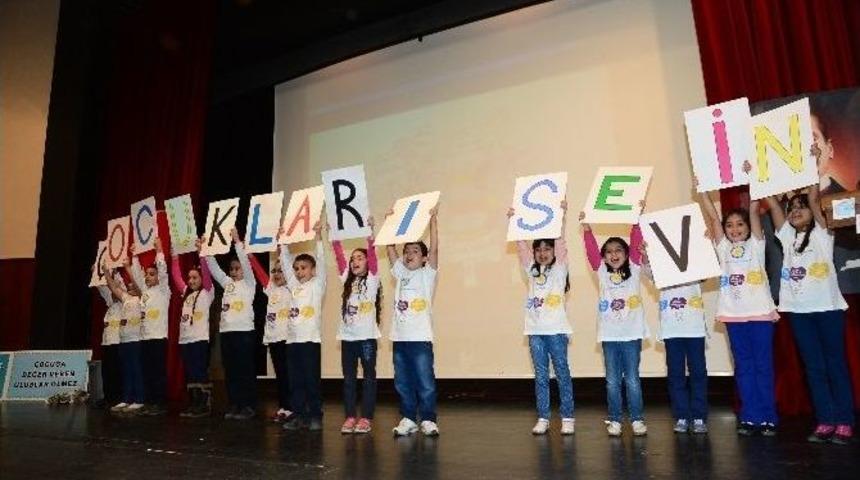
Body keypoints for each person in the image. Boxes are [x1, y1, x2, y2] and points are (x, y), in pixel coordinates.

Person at [764, 185, 854, 444]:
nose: (794, 212)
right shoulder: (786, 236)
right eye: (790, 209)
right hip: (799, 313)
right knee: (814, 368)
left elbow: (815, 198)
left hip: (828, 309)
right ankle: (825, 420)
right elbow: (772, 204)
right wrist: (757, 176)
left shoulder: (823, 234)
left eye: (799, 207)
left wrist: (812, 173)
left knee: (835, 365)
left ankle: (845, 421)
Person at [698, 171, 779, 436]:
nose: (734, 229)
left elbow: (754, 209)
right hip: (734, 315)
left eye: (739, 225)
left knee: (762, 366)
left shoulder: (756, 244)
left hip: (760, 315)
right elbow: (712, 216)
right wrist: (703, 190)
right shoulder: (722, 247)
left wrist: (754, 177)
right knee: (743, 366)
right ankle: (750, 416)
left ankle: (768, 417)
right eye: (730, 225)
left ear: (748, 228)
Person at [508, 202, 575, 435]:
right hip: (535, 331)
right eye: (539, 250)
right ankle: (543, 417)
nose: (543, 253)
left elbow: (561, 243)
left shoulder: (559, 270)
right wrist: (515, 222)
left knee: (562, 374)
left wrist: (561, 215)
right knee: (541, 376)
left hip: (556, 331)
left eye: (548, 249)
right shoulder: (532, 271)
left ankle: (567, 416)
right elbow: (522, 249)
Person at [580, 209, 649, 437]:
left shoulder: (636, 267)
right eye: (608, 252)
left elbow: (636, 238)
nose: (614, 254)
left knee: (631, 379)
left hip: (631, 334)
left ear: (627, 254)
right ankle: (616, 419)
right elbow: (591, 251)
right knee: (611, 381)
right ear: (604, 257)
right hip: (609, 335)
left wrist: (637, 217)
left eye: (619, 250)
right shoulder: (601, 271)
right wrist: (588, 229)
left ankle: (637, 419)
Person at [639, 243, 708, 434]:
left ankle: (699, 415)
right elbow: (647, 272)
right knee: (676, 374)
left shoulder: (693, 264)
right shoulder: (662, 267)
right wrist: (646, 255)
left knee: (698, 373)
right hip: (671, 330)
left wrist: (703, 244)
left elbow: (707, 271)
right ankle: (682, 416)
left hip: (694, 329)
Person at [387, 207, 440, 437]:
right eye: (406, 251)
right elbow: (390, 247)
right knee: (403, 381)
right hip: (399, 338)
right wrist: (390, 222)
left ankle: (428, 419)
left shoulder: (427, 274)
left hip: (420, 338)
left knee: (424, 380)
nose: (409, 254)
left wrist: (433, 220)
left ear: (425, 257)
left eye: (415, 251)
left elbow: (436, 247)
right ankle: (408, 418)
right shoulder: (400, 272)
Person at [331, 217, 381, 434]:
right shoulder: (347, 281)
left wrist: (370, 232)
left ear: (367, 262)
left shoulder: (372, 280)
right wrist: (334, 235)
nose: (355, 261)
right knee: (349, 378)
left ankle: (366, 417)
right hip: (348, 338)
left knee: (369, 377)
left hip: (367, 337)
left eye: (360, 258)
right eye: (353, 259)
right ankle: (350, 416)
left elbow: (374, 256)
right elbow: (339, 257)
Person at [204, 228, 258, 420]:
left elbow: (245, 261)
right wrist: (205, 250)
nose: (234, 271)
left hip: (243, 333)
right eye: (232, 269)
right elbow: (215, 269)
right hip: (226, 333)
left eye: (238, 268)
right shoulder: (227, 284)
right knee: (232, 371)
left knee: (245, 370)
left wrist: (237, 240)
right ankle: (235, 404)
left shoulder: (250, 284)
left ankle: (248, 405)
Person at [281, 222, 327, 432]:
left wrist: (318, 237)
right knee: (296, 381)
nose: (299, 272)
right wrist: (282, 242)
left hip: (310, 341)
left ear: (313, 270)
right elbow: (284, 263)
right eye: (297, 269)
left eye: (304, 268)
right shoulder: (294, 286)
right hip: (292, 342)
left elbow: (323, 261)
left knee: (311, 380)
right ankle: (298, 414)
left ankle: (315, 414)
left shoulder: (317, 285)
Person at [248, 246, 292, 424]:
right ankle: (284, 407)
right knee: (280, 375)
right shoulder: (271, 289)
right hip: (273, 339)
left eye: (281, 270)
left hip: (287, 339)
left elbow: (288, 265)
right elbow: (259, 272)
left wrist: (282, 248)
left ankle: (292, 407)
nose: (276, 274)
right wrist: (250, 254)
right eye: (274, 271)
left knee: (289, 375)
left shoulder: (292, 289)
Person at [171, 238, 214, 417]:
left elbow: (206, 273)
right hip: (185, 340)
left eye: (195, 277)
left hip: (200, 339)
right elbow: (175, 276)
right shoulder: (186, 294)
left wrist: (201, 253)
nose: (190, 280)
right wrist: (174, 255)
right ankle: (193, 403)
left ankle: (203, 405)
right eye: (189, 278)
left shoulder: (207, 292)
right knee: (190, 373)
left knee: (199, 371)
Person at [105, 269, 145, 414]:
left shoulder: (142, 297)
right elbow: (113, 287)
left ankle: (139, 399)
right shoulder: (126, 298)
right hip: (124, 340)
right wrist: (105, 271)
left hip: (136, 339)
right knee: (126, 369)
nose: (130, 286)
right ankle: (127, 398)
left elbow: (139, 283)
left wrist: (130, 270)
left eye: (133, 284)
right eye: (129, 284)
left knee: (136, 369)